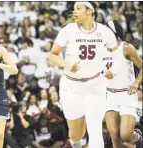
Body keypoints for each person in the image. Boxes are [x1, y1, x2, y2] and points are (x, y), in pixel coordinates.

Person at [48, 2, 118, 148]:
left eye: (78, 8)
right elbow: (52, 55)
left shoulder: (105, 32)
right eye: (74, 9)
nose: (75, 12)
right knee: (76, 134)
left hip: (95, 84)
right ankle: (76, 144)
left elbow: (117, 56)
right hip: (71, 85)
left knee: (95, 128)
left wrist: (112, 70)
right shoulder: (68, 30)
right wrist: (68, 65)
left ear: (89, 11)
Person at [104, 20, 142, 148]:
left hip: (127, 93)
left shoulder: (126, 47)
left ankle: (137, 136)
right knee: (114, 135)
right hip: (109, 94)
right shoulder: (100, 49)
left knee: (125, 135)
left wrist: (136, 82)